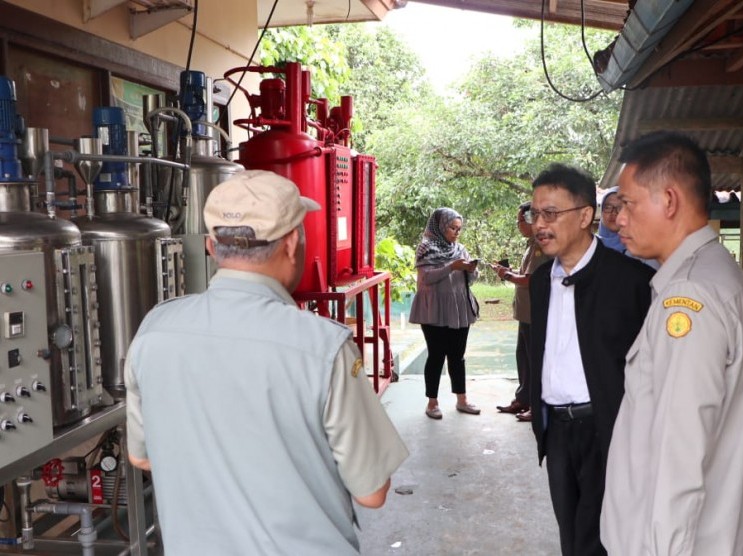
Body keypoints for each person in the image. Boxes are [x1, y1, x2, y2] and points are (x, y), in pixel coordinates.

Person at [125, 170, 408, 555]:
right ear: (292, 243)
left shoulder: (155, 330)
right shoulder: (323, 347)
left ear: (211, 246)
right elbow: (372, 492)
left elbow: (141, 456)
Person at [600, 131, 743, 556]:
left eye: (628, 205)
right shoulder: (714, 276)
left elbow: (680, 454)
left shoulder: (689, 299)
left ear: (668, 201)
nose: (618, 220)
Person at [528, 163, 654, 556]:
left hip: (609, 431)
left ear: (585, 216)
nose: (539, 225)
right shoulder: (540, 280)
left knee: (600, 540)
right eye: (535, 214)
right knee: (572, 536)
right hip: (558, 432)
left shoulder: (630, 281)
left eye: (551, 213)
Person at [409, 207, 481, 419]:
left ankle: (462, 399)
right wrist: (451, 267)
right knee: (436, 355)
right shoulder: (426, 248)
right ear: (440, 226)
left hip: (459, 309)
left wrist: (470, 270)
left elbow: (472, 279)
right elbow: (426, 279)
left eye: (459, 229)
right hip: (434, 310)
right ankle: (432, 402)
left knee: (457, 357)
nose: (456, 233)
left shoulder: (460, 249)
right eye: (452, 228)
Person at [491, 201, 550, 422]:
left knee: (536, 362)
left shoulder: (541, 245)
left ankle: (536, 405)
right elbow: (525, 273)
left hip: (537, 313)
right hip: (526, 313)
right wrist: (508, 271)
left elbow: (531, 279)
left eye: (519, 221)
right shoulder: (531, 244)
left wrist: (506, 275)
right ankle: (523, 398)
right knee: (523, 358)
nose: (518, 225)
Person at [597, 187, 625, 253]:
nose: (613, 213)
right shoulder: (591, 247)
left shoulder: (639, 251)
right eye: (608, 207)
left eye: (619, 208)